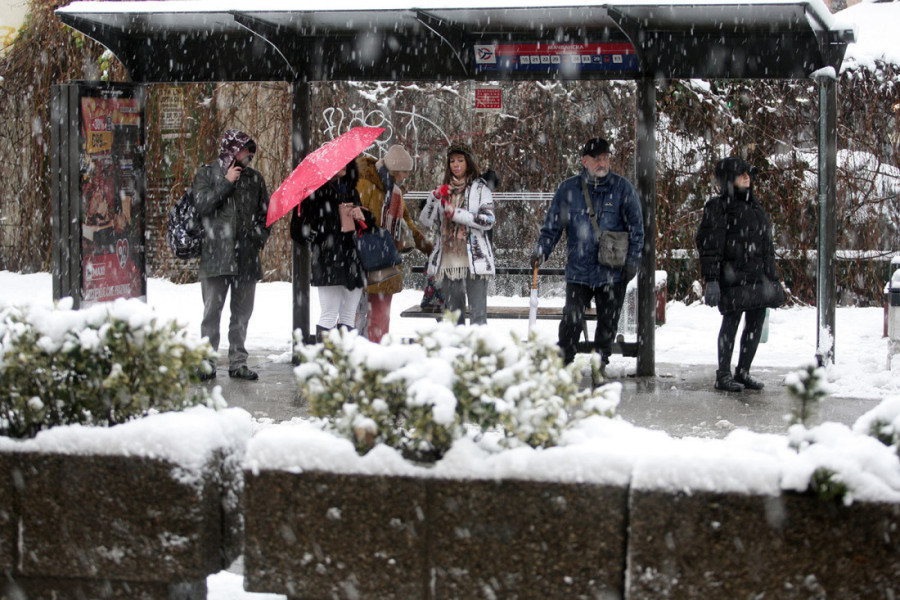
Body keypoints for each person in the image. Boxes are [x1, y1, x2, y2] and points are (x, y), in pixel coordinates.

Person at [530, 137, 644, 370]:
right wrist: (542, 251)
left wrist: (632, 261)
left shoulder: (623, 189)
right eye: (596, 158)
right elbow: (552, 226)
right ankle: (564, 361)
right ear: (584, 161)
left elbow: (636, 229)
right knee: (571, 318)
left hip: (612, 270)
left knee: (608, 321)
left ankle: (600, 363)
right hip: (579, 270)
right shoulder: (568, 189)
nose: (602, 163)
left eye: (605, 158)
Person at [696, 157, 785, 392]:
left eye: (748, 172)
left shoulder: (755, 206)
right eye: (740, 174)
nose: (746, 177)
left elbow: (767, 248)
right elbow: (710, 246)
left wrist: (772, 278)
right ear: (728, 180)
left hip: (757, 278)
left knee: (755, 324)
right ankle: (723, 374)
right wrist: (712, 279)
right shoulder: (719, 207)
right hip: (733, 277)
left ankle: (743, 371)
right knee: (731, 323)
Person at [193, 129, 270, 381]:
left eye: (250, 151)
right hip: (216, 257)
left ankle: (238, 362)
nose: (249, 155)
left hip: (246, 258)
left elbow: (265, 215)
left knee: (241, 313)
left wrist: (257, 238)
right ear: (231, 149)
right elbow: (202, 206)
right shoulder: (206, 173)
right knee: (211, 313)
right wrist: (226, 182)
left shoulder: (255, 179)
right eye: (245, 150)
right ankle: (207, 362)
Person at [291, 158, 376, 341]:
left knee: (349, 315)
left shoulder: (351, 191)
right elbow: (297, 229)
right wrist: (319, 236)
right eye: (338, 162)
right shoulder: (314, 194)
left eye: (346, 161)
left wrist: (362, 216)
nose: (343, 165)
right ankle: (326, 362)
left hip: (354, 259)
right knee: (329, 314)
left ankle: (344, 362)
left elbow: (368, 226)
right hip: (328, 259)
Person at [355, 145, 433, 343]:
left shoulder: (395, 192)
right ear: (395, 168)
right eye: (405, 171)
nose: (407, 175)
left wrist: (427, 247)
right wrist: (373, 231)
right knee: (357, 311)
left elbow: (407, 223)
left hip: (385, 257)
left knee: (380, 312)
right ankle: (352, 353)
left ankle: (376, 352)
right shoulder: (366, 184)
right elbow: (357, 216)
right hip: (365, 255)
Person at [419, 143, 496, 325]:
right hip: (448, 260)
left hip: (475, 258)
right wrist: (434, 197)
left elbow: (488, 220)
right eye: (452, 161)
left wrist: (457, 214)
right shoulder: (443, 189)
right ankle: (457, 351)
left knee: (478, 315)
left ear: (468, 163)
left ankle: (478, 351)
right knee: (454, 316)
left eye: (460, 160)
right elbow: (426, 221)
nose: (456, 164)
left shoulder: (480, 190)